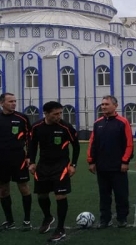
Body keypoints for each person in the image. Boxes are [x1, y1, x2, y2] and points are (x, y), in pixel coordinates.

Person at [28, 101, 80, 242]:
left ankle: (60, 228)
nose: (59, 116)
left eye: (60, 113)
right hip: (43, 165)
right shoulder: (37, 127)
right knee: (42, 195)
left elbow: (76, 146)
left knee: (60, 196)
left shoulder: (65, 127)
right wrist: (32, 162)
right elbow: (32, 145)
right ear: (46, 113)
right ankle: (48, 217)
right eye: (55, 114)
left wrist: (73, 164)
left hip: (61, 165)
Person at [87, 95, 133, 228]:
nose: (104, 107)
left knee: (121, 195)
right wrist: (91, 161)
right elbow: (92, 144)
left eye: (106, 104)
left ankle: (122, 218)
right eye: (102, 104)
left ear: (115, 106)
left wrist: (125, 161)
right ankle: (105, 219)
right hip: (102, 166)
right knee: (104, 196)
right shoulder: (98, 123)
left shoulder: (123, 122)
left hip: (118, 167)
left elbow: (129, 144)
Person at [0, 93, 32, 231]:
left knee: (23, 188)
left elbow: (30, 138)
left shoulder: (22, 118)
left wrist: (29, 156)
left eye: (15, 101)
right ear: (2, 103)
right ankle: (10, 220)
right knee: (3, 190)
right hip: (1, 160)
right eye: (10, 101)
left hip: (19, 158)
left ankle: (27, 220)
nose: (14, 103)